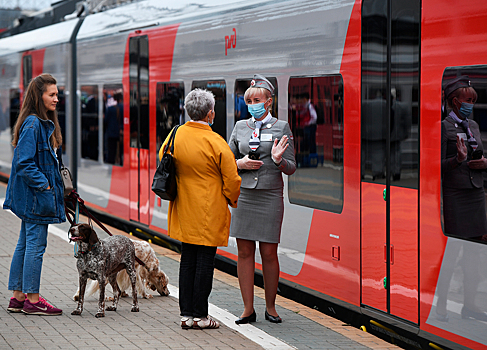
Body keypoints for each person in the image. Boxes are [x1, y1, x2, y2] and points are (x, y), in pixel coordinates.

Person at [160, 88, 241, 329]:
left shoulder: (175, 135)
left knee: (187, 261)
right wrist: (231, 199)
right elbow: (233, 179)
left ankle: (186, 315)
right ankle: (201, 316)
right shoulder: (216, 141)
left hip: (183, 208)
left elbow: (164, 160)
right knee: (205, 263)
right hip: (209, 210)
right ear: (210, 114)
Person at [228, 74, 296, 324]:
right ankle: (248, 309)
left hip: (269, 196)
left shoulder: (282, 127)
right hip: (245, 196)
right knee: (244, 252)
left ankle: (271, 307)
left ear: (269, 101)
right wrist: (240, 163)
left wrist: (279, 160)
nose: (253, 104)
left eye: (257, 99)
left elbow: (291, 167)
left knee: (269, 252)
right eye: (249, 100)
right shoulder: (239, 127)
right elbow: (227, 162)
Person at [3, 73, 65, 315]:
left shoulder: (37, 123)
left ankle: (18, 297)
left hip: (33, 197)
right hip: (36, 197)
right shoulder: (33, 124)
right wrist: (46, 186)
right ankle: (33, 299)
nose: (56, 99)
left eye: (57, 94)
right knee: (35, 246)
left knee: (24, 244)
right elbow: (25, 162)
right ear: (39, 96)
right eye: (52, 94)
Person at [438, 75, 487, 322]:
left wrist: (484, 163)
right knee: (452, 251)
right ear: (455, 101)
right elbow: (435, 167)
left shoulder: (475, 126)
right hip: (455, 195)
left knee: (475, 253)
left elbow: (480, 154)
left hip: (476, 193)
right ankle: (441, 305)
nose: (472, 104)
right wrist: (457, 160)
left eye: (474, 100)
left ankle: (470, 305)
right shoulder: (443, 127)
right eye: (469, 100)